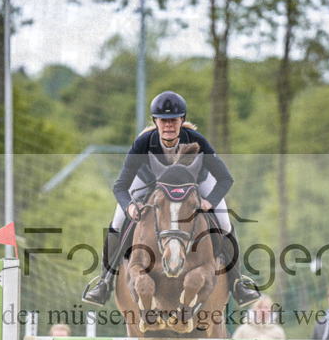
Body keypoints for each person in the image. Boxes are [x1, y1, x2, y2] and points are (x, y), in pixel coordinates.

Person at [82, 90, 260, 308]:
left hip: (195, 184)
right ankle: (104, 283)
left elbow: (225, 178)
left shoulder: (197, 141)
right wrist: (129, 206)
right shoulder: (142, 144)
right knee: (118, 222)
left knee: (224, 223)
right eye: (163, 121)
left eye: (173, 121)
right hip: (150, 185)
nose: (168, 125)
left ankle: (237, 284)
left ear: (181, 121)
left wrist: (209, 201)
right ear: (156, 121)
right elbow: (120, 186)